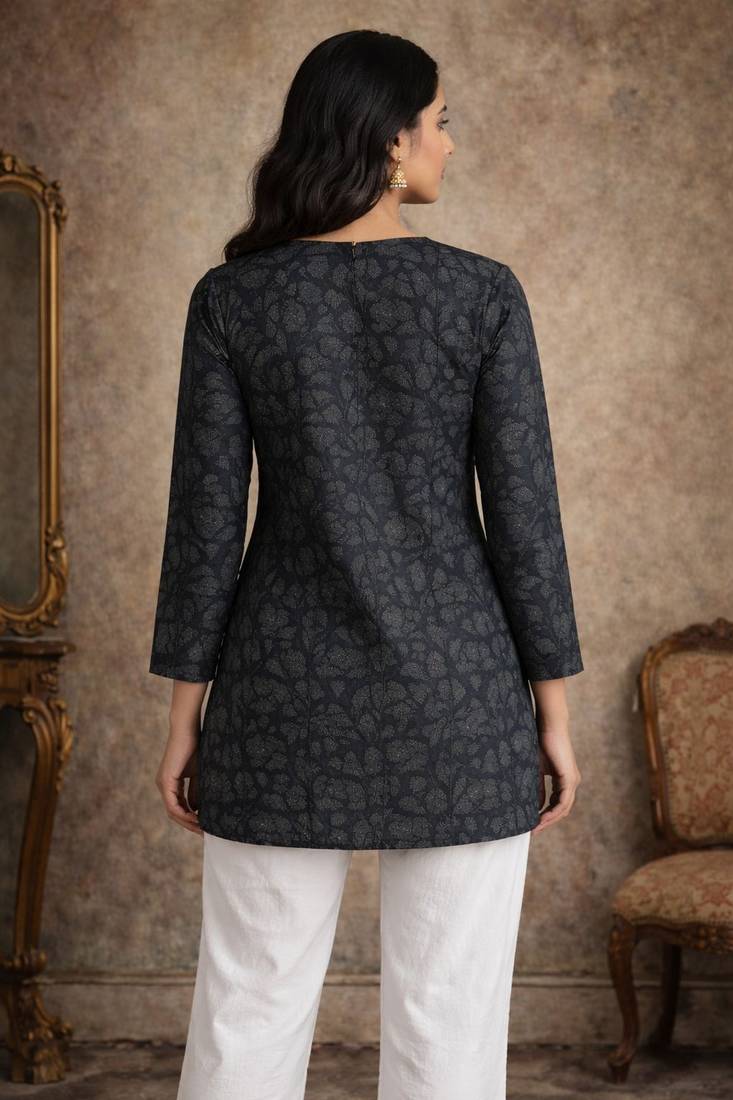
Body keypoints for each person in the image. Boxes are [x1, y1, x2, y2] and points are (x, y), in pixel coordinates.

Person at [148, 28, 584, 1100]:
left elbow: (204, 526)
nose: (448, 142)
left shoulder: (234, 299)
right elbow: (525, 522)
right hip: (457, 701)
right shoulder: (481, 295)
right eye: (439, 122)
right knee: (448, 1021)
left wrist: (185, 716)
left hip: (279, 700)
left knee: (247, 1006)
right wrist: (554, 713)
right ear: (391, 140)